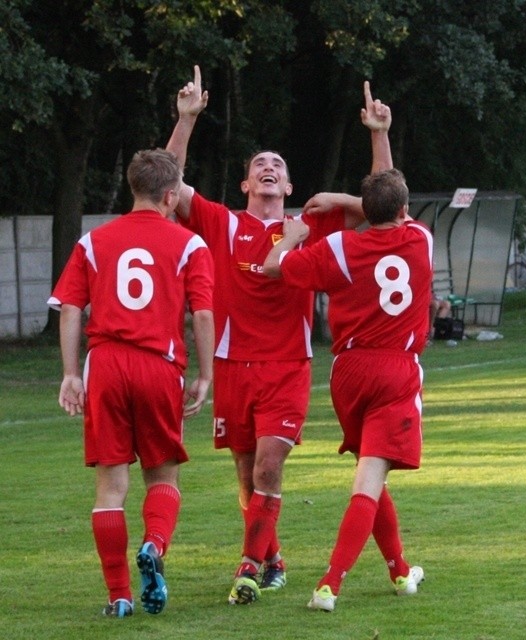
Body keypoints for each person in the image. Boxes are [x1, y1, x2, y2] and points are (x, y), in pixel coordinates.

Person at [166, 65, 393, 605]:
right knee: (247, 475)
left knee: (270, 463)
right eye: (259, 165)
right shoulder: (222, 223)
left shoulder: (310, 226)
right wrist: (185, 119)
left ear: (288, 186)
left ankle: (247, 565)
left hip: (287, 366)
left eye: (278, 166)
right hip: (232, 366)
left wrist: (377, 136)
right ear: (246, 184)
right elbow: (164, 187)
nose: (268, 168)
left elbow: (387, 205)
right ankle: (273, 557)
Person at [47, 148, 214, 618]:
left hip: (105, 363)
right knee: (162, 473)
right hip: (159, 365)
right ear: (169, 195)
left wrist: (69, 372)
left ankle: (118, 595)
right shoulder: (190, 244)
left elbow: (70, 308)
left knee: (110, 487)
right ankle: (154, 545)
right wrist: (204, 373)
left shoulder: (93, 241)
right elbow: (202, 311)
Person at [263, 168, 432, 611]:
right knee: (368, 480)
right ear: (402, 210)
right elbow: (387, 207)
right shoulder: (420, 240)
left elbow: (272, 266)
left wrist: (295, 235)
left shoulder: (340, 247)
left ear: (367, 210)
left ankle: (400, 571)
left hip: (349, 372)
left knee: (369, 475)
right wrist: (341, 197)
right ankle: (329, 583)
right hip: (395, 367)